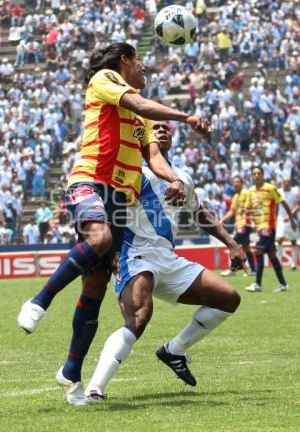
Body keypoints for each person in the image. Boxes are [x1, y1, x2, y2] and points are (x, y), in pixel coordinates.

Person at [17, 43, 208, 404]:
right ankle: (39, 301)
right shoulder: (106, 80)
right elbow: (135, 102)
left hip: (121, 197)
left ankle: (70, 374)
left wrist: (175, 180)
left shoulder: (146, 118)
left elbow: (153, 157)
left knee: (95, 286)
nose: (144, 69)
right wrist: (184, 117)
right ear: (125, 62)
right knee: (101, 238)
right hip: (90, 179)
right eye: (139, 62)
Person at [83, 121, 246, 402]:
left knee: (228, 298)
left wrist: (231, 243)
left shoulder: (181, 177)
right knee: (140, 317)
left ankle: (174, 350)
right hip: (134, 255)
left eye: (165, 128)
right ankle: (95, 388)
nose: (161, 130)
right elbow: (106, 206)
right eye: (154, 126)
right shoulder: (132, 169)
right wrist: (109, 250)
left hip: (167, 259)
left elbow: (199, 213)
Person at [245, 166, 297, 293]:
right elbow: (248, 209)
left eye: (259, 173)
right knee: (272, 255)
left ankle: (258, 284)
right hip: (259, 227)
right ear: (252, 176)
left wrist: (291, 220)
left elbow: (283, 203)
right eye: (254, 173)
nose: (256, 175)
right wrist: (250, 222)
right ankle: (283, 284)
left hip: (268, 226)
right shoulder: (250, 191)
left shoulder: (270, 188)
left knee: (258, 252)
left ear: (262, 175)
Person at [220, 176, 256, 277]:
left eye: (237, 182)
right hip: (240, 224)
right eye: (234, 183)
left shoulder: (247, 193)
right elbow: (232, 211)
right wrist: (222, 220)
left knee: (233, 244)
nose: (235, 184)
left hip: (246, 224)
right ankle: (253, 270)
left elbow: (253, 206)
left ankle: (232, 269)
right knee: (246, 248)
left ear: (242, 183)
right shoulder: (235, 196)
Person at [276, 178, 300, 270]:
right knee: (279, 239)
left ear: (290, 182)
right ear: (282, 183)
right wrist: (276, 218)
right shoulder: (278, 191)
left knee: (293, 240)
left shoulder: (295, 192)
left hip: (292, 219)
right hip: (281, 218)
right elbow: (277, 206)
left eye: (288, 181)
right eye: (285, 182)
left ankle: (293, 264)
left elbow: (297, 206)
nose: (286, 183)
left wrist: (290, 215)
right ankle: (279, 264)